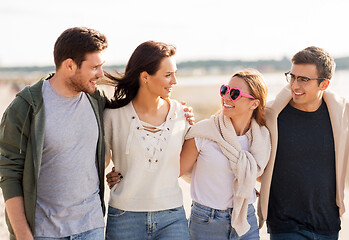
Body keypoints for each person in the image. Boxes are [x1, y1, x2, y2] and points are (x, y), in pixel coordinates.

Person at [0, 27, 108, 240]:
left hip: (92, 227)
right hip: (44, 232)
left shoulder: (97, 99)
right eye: (95, 67)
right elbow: (9, 173)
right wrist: (23, 235)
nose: (101, 74)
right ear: (69, 65)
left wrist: (177, 112)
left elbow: (132, 118)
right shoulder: (26, 107)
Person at [258, 46, 349, 240]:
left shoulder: (341, 117)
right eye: (292, 77)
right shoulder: (271, 115)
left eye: (304, 80)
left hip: (328, 224)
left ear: (324, 84)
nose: (295, 85)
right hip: (285, 224)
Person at [103, 41, 190, 240]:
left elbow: (193, 164)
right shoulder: (112, 116)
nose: (174, 81)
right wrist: (111, 175)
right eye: (168, 75)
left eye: (175, 73)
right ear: (145, 77)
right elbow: (98, 163)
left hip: (172, 216)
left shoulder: (181, 114)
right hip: (125, 217)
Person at [179, 69, 271, 240]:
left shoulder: (262, 139)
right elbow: (173, 171)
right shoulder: (203, 132)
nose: (226, 97)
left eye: (235, 93)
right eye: (224, 90)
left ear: (254, 104)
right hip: (206, 221)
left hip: (246, 218)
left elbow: (260, 177)